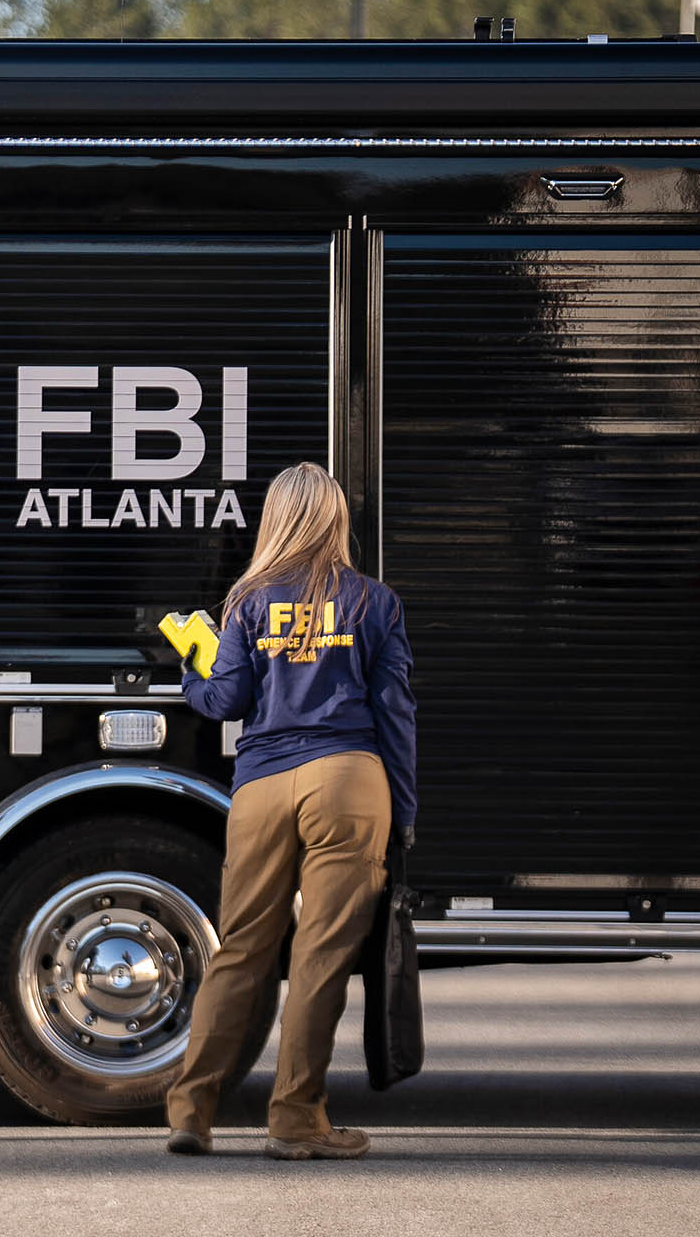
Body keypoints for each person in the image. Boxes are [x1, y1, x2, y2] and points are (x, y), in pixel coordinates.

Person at [163, 461, 416, 1161]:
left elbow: (225, 703)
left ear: (275, 520)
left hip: (262, 786)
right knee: (320, 956)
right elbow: (396, 714)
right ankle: (295, 1120)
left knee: (241, 948)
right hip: (348, 780)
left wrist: (191, 665)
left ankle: (191, 1110)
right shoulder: (374, 603)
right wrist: (405, 808)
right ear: (335, 517)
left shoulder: (246, 602)